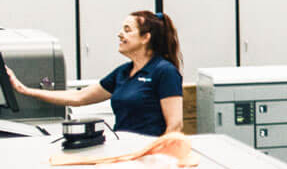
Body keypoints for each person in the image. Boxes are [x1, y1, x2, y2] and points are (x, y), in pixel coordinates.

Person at [6, 10, 183, 137]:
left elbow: (175, 125)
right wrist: (25, 90)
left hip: (150, 153)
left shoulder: (164, 71)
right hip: (125, 149)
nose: (119, 34)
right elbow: (80, 97)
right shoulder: (123, 72)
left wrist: (159, 157)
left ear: (146, 37)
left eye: (127, 30)